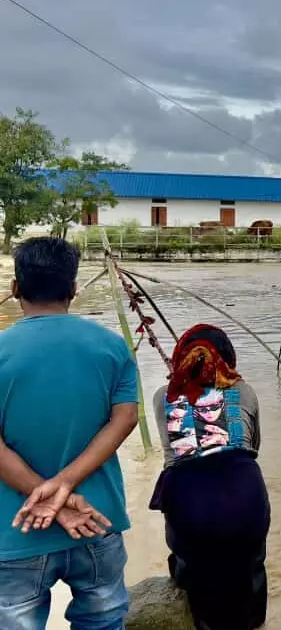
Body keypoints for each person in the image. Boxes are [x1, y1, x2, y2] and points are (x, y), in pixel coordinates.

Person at [0, 237, 138, 628]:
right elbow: (125, 419)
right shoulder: (112, 346)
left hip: (17, 529)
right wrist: (65, 486)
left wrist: (49, 497)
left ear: (15, 289)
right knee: (105, 620)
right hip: (97, 520)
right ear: (73, 289)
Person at [150, 324, 271, 628]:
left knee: (195, 570)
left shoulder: (163, 395)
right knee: (251, 563)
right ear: (228, 360)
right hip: (245, 494)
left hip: (190, 502)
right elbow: (253, 446)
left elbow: (171, 454)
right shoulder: (243, 390)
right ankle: (254, 621)